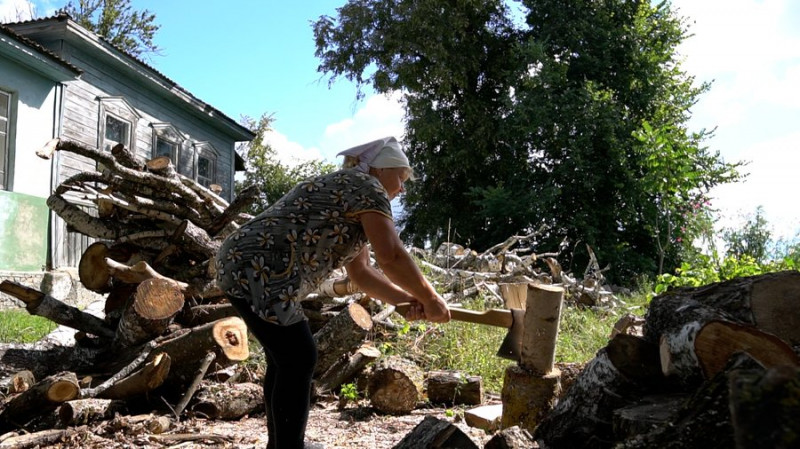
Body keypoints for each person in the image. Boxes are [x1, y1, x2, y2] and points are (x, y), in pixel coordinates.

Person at [215, 136, 451, 449]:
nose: (402, 188)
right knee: (299, 356)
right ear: (380, 170)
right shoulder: (368, 188)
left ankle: (283, 444)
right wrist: (431, 298)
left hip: (243, 263)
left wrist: (408, 301)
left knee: (286, 357)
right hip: (261, 267)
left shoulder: (351, 193)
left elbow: (363, 274)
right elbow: (391, 256)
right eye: (401, 176)